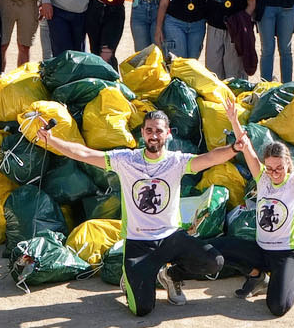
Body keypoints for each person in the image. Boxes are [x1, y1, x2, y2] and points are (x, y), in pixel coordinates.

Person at [37, 111, 241, 315]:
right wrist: (52, 140)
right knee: (142, 309)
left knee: (214, 262)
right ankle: (131, 278)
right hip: (138, 241)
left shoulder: (177, 161)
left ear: (168, 133)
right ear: (142, 132)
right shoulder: (125, 160)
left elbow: (210, 158)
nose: (154, 135)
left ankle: (171, 275)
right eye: (149, 130)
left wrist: (234, 148)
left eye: (159, 131)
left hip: (171, 237)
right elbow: (84, 153)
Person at [211, 102, 294, 317]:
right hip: (262, 250)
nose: (274, 173)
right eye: (270, 168)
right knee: (217, 247)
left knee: (277, 307)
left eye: (279, 168)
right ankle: (257, 276)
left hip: (287, 253)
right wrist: (234, 121)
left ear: (288, 165)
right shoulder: (262, 178)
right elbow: (246, 147)